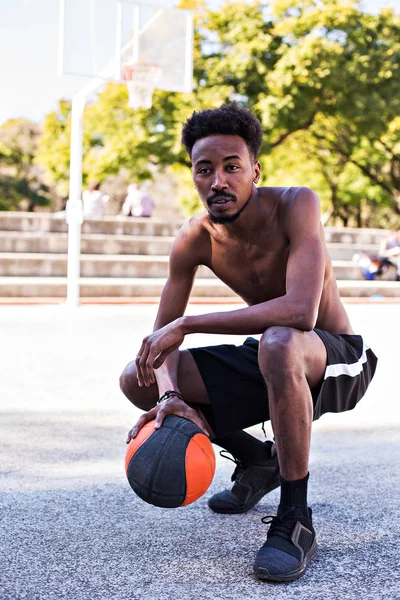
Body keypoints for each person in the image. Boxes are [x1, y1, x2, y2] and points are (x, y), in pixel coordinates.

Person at [119, 104, 378, 582]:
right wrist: (171, 397)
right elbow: (159, 347)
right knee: (139, 380)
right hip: (275, 355)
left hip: (338, 357)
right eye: (205, 169)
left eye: (232, 166)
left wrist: (190, 324)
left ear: (255, 170)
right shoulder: (194, 238)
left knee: (278, 341)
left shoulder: (297, 204)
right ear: (193, 176)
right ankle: (260, 460)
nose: (219, 180)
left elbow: (302, 309)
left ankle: (295, 518)